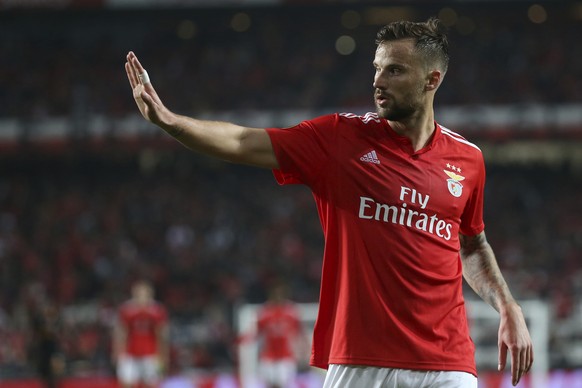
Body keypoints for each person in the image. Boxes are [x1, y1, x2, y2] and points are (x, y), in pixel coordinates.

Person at [124, 17, 533, 387]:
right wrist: (172, 123)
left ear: (432, 80)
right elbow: (244, 140)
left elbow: (472, 245)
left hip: (448, 364)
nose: (378, 80)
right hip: (361, 362)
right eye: (376, 68)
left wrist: (507, 306)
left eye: (394, 70)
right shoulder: (340, 139)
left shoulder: (468, 160)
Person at [246, 282, 308, 388]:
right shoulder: (264, 312)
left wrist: (305, 349)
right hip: (268, 357)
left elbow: (300, 333)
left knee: (283, 385)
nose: (278, 296)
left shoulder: (291, 312)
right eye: (275, 294)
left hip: (286, 356)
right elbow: (256, 333)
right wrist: (246, 340)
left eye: (280, 294)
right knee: (269, 385)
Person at [112, 280, 169, 388]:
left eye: (144, 294)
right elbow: (121, 333)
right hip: (130, 354)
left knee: (151, 384)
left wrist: (163, 356)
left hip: (150, 354)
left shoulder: (157, 311)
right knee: (126, 383)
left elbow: (161, 335)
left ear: (150, 295)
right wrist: (118, 352)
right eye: (139, 294)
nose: (141, 297)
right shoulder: (127, 310)